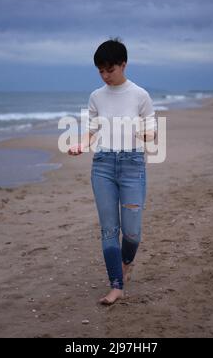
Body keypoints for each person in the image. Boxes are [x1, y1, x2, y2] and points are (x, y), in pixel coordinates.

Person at [68, 38, 157, 305]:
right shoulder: (96, 96)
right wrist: (82, 144)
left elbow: (152, 132)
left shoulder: (140, 95)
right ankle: (116, 285)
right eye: (101, 71)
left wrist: (139, 131)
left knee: (132, 233)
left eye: (110, 69)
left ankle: (126, 262)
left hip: (132, 165)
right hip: (103, 166)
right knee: (109, 230)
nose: (105, 76)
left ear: (123, 64)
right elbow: (92, 129)